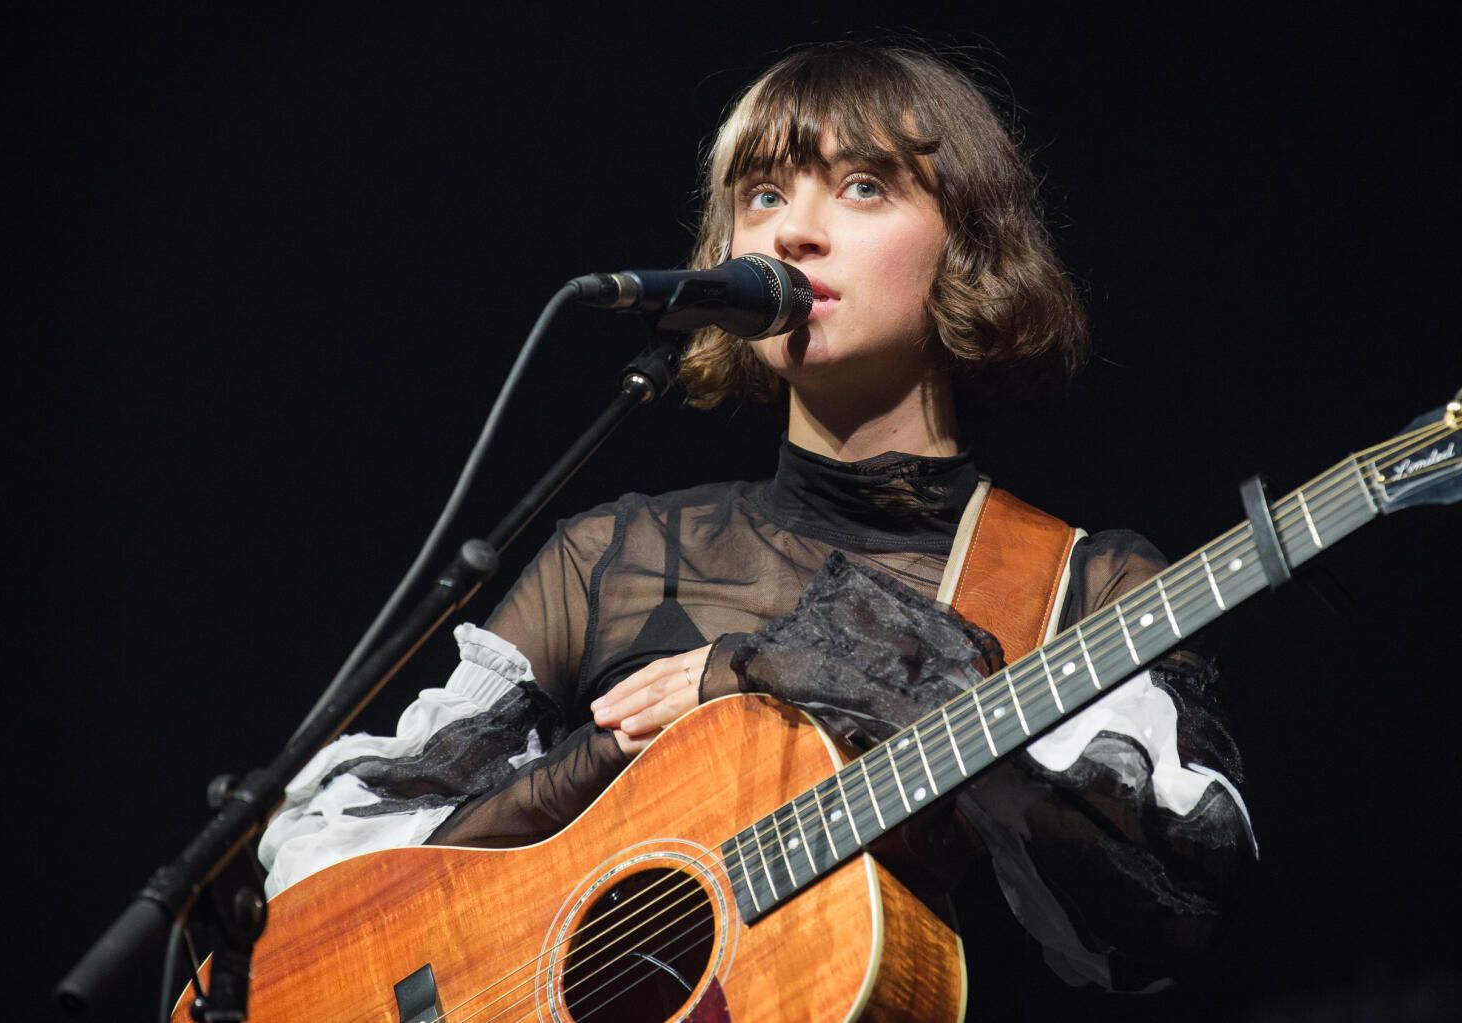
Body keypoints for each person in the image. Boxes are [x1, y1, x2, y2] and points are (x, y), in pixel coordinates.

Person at [259, 40, 1254, 1013]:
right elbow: (333, 863)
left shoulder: (1078, 586)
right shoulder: (615, 557)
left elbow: (1171, 918)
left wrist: (774, 668)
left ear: (971, 242)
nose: (792, 232)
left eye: (862, 187)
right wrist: (606, 763)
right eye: (763, 194)